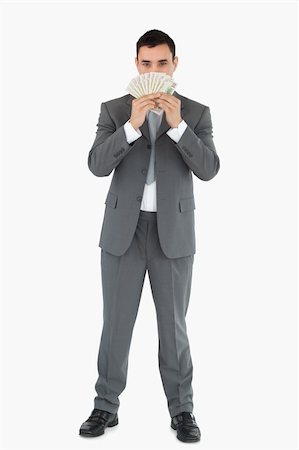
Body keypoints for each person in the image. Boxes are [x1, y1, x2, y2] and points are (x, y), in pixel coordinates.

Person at [79, 29, 220, 443]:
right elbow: (96, 166)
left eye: (162, 63)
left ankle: (183, 410)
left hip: (173, 235)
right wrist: (131, 126)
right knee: (115, 325)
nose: (154, 71)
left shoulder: (196, 112)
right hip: (123, 233)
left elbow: (209, 169)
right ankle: (105, 406)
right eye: (146, 64)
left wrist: (178, 128)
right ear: (136, 65)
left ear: (174, 65)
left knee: (173, 328)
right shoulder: (113, 110)